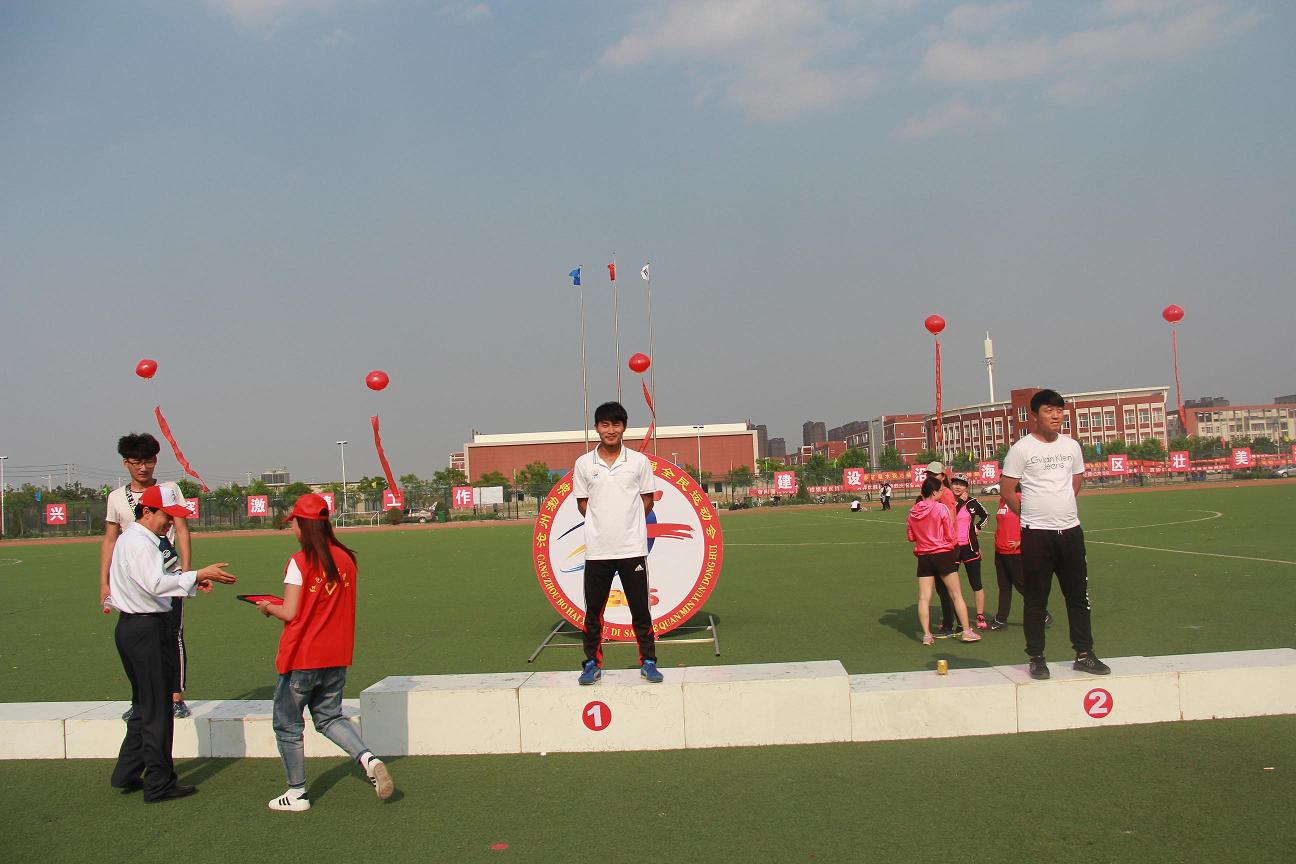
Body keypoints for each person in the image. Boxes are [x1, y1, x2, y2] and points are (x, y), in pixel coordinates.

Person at [255, 493, 394, 812]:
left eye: (294, 523)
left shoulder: (299, 561)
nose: (292, 529)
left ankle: (297, 793)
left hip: (302, 656)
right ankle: (368, 759)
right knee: (329, 717)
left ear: (303, 526)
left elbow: (290, 611)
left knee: (288, 724)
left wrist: (267, 607)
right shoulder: (346, 559)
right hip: (336, 655)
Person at [107, 485, 236, 802]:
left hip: (134, 627)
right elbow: (155, 584)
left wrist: (191, 581)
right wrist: (196, 575)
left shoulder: (135, 539)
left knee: (144, 704)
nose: (171, 523)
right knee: (157, 710)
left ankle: (127, 772)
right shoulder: (141, 543)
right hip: (146, 629)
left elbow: (154, 582)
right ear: (147, 512)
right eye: (167, 516)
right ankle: (158, 783)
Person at [1002, 389, 1111, 680]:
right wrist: (1030, 514)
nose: (1056, 416)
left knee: (1078, 597)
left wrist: (1061, 507)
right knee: (1036, 600)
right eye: (1049, 410)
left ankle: (1084, 654)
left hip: (1071, 533)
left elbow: (1076, 481)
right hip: (1037, 535)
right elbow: (1007, 490)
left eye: (1059, 410)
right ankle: (1036, 657)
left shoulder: (1071, 446)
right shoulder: (1022, 449)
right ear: (1034, 415)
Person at [101, 433, 195, 720]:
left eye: (149, 461)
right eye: (137, 462)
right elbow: (110, 540)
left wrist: (187, 572)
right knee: (140, 641)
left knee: (173, 635)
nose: (143, 468)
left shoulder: (169, 490)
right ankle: (141, 699)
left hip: (169, 574)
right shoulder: (116, 497)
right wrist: (104, 582)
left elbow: (181, 530)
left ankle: (176, 697)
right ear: (126, 463)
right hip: (134, 582)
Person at [573, 401, 661, 685]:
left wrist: (627, 523)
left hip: (632, 548)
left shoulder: (638, 462)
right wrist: (602, 524)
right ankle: (591, 663)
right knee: (593, 613)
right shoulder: (584, 464)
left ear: (624, 427)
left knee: (640, 610)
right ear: (597, 428)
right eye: (605, 425)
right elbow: (583, 504)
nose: (610, 430)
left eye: (616, 424)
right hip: (597, 551)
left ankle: (648, 662)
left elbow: (647, 499)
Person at [907, 475, 979, 645]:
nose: (942, 493)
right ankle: (966, 631)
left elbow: (911, 536)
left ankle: (926, 635)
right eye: (940, 491)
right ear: (933, 492)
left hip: (924, 556)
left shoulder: (913, 511)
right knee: (956, 594)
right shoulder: (941, 508)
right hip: (942, 554)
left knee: (924, 597)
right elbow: (949, 533)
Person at [988, 495, 1053, 630]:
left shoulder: (1020, 499)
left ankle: (1043, 614)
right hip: (1000, 551)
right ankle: (1001, 619)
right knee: (1004, 587)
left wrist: (1021, 541)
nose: (1001, 485)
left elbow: (1036, 521)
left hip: (1015, 553)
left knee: (1022, 585)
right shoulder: (1003, 500)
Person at [924, 462, 960, 638]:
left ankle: (951, 624)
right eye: (929, 474)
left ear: (943, 476)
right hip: (941, 545)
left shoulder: (944, 494)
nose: (931, 477)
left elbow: (950, 520)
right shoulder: (936, 493)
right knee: (944, 588)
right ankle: (955, 623)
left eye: (934, 474)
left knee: (947, 588)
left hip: (946, 546)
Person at [950, 475, 990, 629]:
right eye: (955, 483)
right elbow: (949, 516)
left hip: (970, 548)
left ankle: (980, 615)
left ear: (966, 487)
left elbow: (986, 515)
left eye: (961, 484)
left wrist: (978, 527)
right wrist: (960, 501)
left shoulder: (973, 502)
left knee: (976, 583)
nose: (957, 487)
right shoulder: (947, 502)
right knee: (951, 587)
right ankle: (954, 619)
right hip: (952, 548)